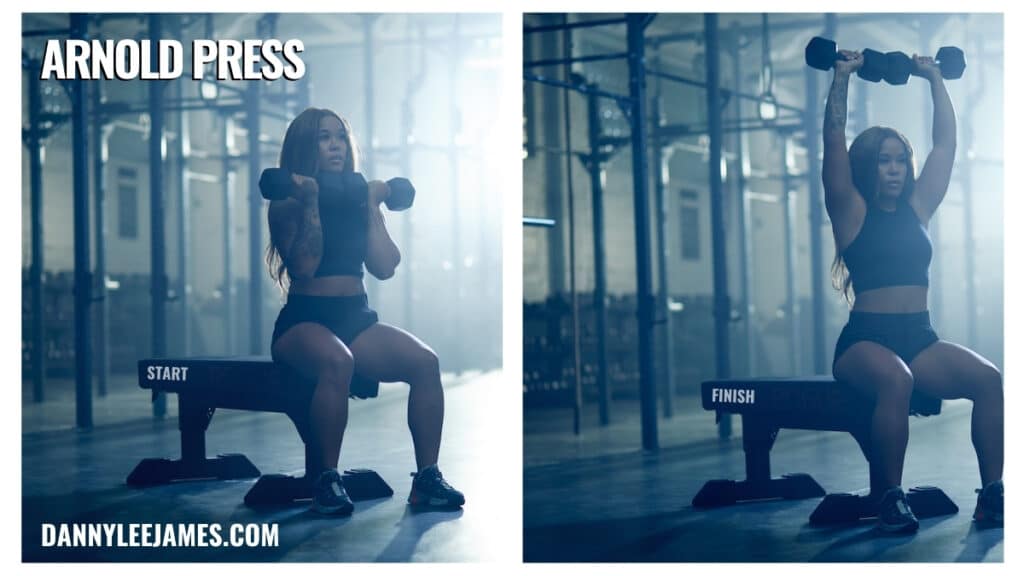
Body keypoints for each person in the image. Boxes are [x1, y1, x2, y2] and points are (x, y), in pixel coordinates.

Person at [823, 49, 1002, 533]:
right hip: (865, 342)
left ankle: (991, 497)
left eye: (901, 160)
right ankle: (890, 499)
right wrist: (841, 77)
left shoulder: (919, 207)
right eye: (885, 162)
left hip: (918, 337)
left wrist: (934, 78)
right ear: (869, 168)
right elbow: (834, 142)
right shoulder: (851, 211)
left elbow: (945, 143)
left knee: (989, 380)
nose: (896, 169)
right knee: (896, 380)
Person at [264, 107, 464, 515]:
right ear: (306, 146)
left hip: (356, 317)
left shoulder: (357, 201)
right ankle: (327, 480)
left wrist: (372, 204)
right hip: (303, 321)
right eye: (324, 137)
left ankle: (427, 480)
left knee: (425, 362)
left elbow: (385, 266)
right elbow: (304, 267)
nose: (336, 144)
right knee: (339, 361)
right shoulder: (286, 203)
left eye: (340, 136)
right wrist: (313, 202)